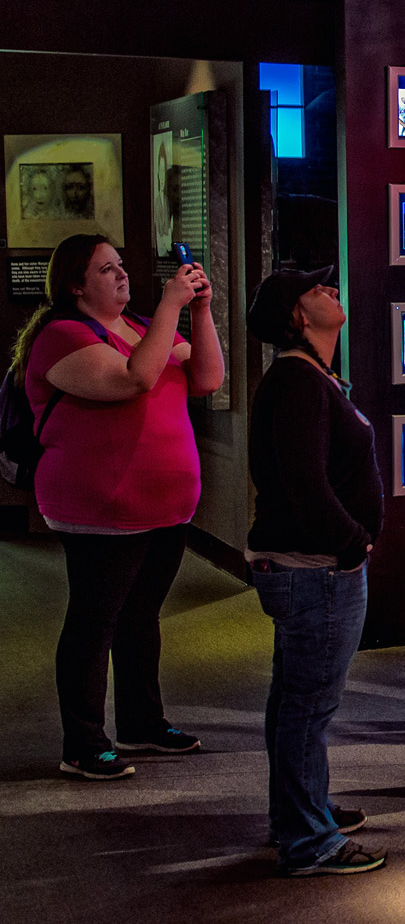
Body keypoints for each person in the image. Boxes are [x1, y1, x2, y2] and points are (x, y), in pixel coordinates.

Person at [14, 234, 223, 780]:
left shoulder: (140, 327)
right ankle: (83, 743)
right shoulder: (62, 336)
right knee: (94, 623)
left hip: (166, 507)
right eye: (107, 269)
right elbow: (134, 380)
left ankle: (141, 722)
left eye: (121, 265)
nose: (122, 275)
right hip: (101, 509)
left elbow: (207, 379)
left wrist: (200, 312)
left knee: (140, 616)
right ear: (75, 285)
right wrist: (171, 306)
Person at [243, 267, 386, 877]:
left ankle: (299, 814)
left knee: (295, 700)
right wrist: (352, 544)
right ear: (298, 316)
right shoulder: (298, 382)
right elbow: (305, 484)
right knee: (307, 706)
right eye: (317, 290)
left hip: (312, 566)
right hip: (315, 569)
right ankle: (309, 840)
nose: (332, 291)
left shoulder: (308, 377)